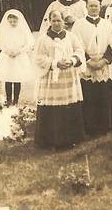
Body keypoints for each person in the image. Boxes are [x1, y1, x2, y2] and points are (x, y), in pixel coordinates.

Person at [32, 9, 86, 149]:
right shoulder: (43, 39)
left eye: (59, 20)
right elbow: (38, 58)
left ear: (64, 22)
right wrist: (55, 63)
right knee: (52, 109)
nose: (56, 23)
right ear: (49, 22)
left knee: (68, 107)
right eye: (54, 20)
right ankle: (49, 140)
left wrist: (72, 61)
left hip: (68, 77)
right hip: (51, 80)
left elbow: (79, 51)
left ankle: (70, 139)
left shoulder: (71, 36)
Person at [71, 0, 112, 135]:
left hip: (104, 64)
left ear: (100, 7)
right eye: (91, 5)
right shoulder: (79, 24)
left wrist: (104, 61)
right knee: (89, 96)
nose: (93, 8)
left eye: (96, 6)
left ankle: (104, 126)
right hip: (88, 63)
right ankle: (89, 126)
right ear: (86, 7)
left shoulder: (106, 23)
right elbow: (76, 44)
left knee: (104, 96)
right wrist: (89, 61)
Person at [0, 9, 35, 107]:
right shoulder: (4, 29)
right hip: (7, 55)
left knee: (17, 78)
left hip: (19, 56)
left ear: (18, 20)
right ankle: (8, 99)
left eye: (14, 21)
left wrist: (19, 51)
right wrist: (7, 50)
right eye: (11, 21)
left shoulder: (22, 29)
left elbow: (29, 43)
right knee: (8, 78)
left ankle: (16, 100)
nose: (12, 23)